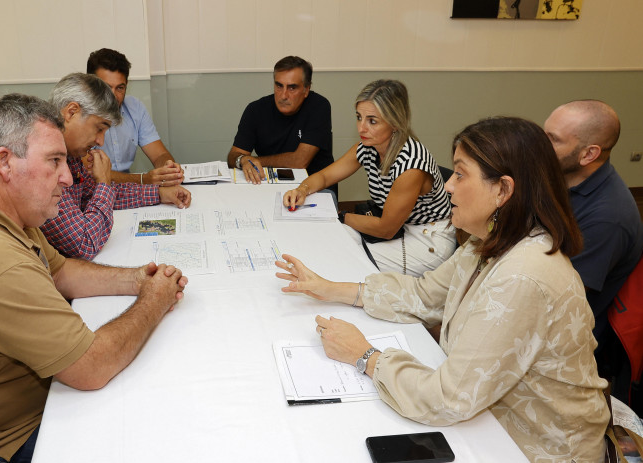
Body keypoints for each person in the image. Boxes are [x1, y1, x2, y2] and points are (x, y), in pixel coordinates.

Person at [275, 117, 609, 462]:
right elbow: (424, 296)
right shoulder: (489, 241)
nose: (448, 185)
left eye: (460, 175)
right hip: (490, 422)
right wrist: (331, 289)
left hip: (534, 447)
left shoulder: (523, 276)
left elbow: (449, 399)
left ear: (503, 190)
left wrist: (364, 356)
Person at [0, 94, 187, 462]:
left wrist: (138, 279)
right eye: (55, 161)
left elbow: (60, 270)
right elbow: (91, 366)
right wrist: (154, 299)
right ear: (5, 162)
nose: (67, 176)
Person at [283, 80, 455, 276]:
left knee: (343, 261)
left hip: (427, 241)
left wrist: (339, 216)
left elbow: (385, 229)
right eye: (359, 117)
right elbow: (324, 176)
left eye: (372, 121)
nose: (361, 128)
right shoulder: (367, 147)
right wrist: (302, 190)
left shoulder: (411, 165)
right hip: (399, 229)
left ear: (395, 123)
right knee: (330, 241)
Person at [544, 100, 643, 403]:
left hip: (566, 340)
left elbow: (560, 298)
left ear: (589, 154)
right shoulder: (562, 176)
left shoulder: (608, 217)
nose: (540, 146)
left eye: (553, 140)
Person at [40, 73, 191, 260]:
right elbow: (84, 244)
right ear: (71, 112)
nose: (100, 141)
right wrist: (103, 181)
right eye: (99, 128)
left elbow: (93, 195)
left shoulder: (70, 156)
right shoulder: (44, 164)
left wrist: (158, 193)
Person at [226, 56, 333, 192]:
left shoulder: (319, 106)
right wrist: (242, 160)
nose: (283, 95)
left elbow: (299, 161)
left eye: (292, 88)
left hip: (314, 187)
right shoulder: (255, 110)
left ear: (306, 89)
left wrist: (253, 160)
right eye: (279, 86)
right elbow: (233, 156)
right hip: (269, 184)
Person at [87, 48, 184, 186]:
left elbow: (159, 155)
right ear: (90, 86)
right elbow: (89, 173)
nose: (113, 96)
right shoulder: (80, 114)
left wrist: (167, 170)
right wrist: (143, 179)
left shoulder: (135, 108)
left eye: (120, 88)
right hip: (92, 192)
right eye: (106, 88)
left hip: (129, 191)